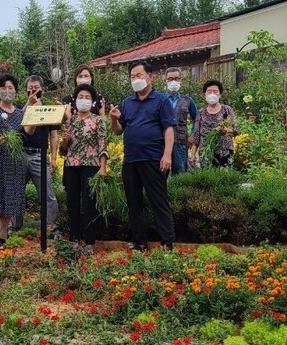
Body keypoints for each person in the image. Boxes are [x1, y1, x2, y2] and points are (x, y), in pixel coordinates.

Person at [109, 61, 176, 252]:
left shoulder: (161, 100)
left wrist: (167, 154)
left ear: (150, 76)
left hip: (153, 158)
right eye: (132, 77)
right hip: (131, 160)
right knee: (134, 203)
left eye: (139, 75)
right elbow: (117, 131)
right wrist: (113, 119)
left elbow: (168, 129)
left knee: (158, 201)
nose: (136, 79)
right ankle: (139, 242)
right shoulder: (126, 103)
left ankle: (167, 242)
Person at [0, 74, 35, 251]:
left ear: (15, 90)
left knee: (10, 196)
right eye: (3, 88)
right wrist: (3, 139)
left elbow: (27, 130)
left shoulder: (20, 113)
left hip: (15, 159)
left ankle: (4, 234)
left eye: (10, 88)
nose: (7, 91)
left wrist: (34, 112)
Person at [9, 75, 61, 238]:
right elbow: (15, 122)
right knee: (16, 191)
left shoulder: (49, 109)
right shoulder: (19, 107)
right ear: (25, 90)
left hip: (40, 155)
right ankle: (14, 226)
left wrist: (53, 158)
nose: (33, 90)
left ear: (42, 89)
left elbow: (53, 135)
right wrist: (29, 105)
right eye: (30, 88)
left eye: (36, 87)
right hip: (21, 154)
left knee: (47, 193)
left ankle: (54, 227)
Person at [60, 84, 108, 254]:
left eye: (87, 97)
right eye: (81, 96)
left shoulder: (97, 121)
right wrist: (65, 140)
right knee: (72, 203)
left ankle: (89, 242)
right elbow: (64, 150)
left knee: (89, 204)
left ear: (92, 100)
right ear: (75, 100)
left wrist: (102, 168)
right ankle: (74, 240)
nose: (84, 100)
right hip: (71, 165)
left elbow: (103, 145)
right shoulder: (70, 120)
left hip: (91, 165)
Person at [189, 79, 238, 167]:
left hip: (225, 150)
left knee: (225, 176)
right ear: (205, 94)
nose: (212, 94)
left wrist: (224, 130)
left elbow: (235, 130)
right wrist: (193, 155)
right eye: (209, 92)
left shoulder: (227, 110)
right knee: (208, 178)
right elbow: (196, 135)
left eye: (215, 92)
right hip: (206, 151)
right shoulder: (200, 112)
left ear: (220, 94)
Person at [164, 67, 197, 175]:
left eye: (176, 78)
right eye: (170, 79)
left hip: (181, 142)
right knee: (162, 173)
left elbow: (196, 119)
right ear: (166, 81)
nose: (173, 81)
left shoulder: (188, 100)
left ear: (181, 80)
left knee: (180, 172)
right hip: (162, 142)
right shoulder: (160, 99)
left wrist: (192, 134)